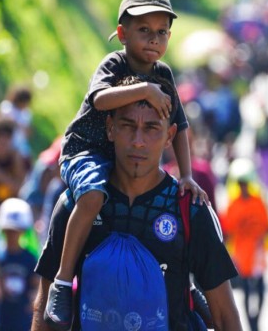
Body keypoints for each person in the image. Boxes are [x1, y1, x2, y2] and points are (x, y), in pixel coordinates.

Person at [48, 0, 209, 329]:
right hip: (88, 151)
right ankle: (62, 283)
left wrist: (186, 175)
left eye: (162, 32)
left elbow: (179, 125)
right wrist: (144, 90)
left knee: (180, 203)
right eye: (144, 31)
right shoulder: (115, 63)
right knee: (91, 196)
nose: (154, 40)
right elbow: (100, 100)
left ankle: (189, 288)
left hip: (128, 156)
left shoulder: (163, 74)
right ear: (122, 33)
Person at [32, 75, 243, 331]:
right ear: (110, 128)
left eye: (152, 128)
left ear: (170, 135)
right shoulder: (76, 206)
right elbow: (45, 307)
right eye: (128, 126)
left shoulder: (191, 209)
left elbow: (224, 316)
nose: (138, 141)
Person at [220, 158, 268, 331]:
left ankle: (256, 318)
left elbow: (266, 226)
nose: (242, 187)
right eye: (240, 184)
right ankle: (251, 322)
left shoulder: (258, 202)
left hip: (257, 254)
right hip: (242, 255)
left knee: (261, 287)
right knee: (247, 291)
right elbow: (227, 230)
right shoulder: (233, 205)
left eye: (245, 184)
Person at [0, 198, 39, 331]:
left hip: (23, 321)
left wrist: (33, 299)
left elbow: (35, 285)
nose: (12, 235)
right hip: (1, 320)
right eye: (8, 231)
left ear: (23, 231)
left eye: (16, 231)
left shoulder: (30, 258)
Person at [0, 85, 34, 165]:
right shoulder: (6, 108)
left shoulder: (26, 113)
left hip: (20, 144)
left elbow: (27, 133)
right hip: (4, 141)